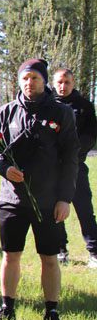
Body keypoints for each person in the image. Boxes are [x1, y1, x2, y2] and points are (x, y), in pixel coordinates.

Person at [0, 59, 79, 320]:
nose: (29, 83)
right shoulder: (7, 112)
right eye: (25, 78)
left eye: (35, 78)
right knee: (10, 255)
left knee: (49, 258)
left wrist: (65, 198)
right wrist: (5, 168)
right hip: (12, 200)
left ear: (44, 81)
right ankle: (7, 308)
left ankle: (51, 313)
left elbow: (70, 159)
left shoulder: (62, 114)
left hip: (48, 201)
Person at [52, 68, 97, 268]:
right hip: (51, 168)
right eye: (59, 82)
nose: (63, 86)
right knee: (54, 210)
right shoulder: (47, 104)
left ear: (73, 83)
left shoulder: (84, 106)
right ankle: (61, 250)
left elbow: (90, 136)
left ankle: (94, 252)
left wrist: (73, 152)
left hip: (75, 166)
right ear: (54, 83)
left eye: (67, 82)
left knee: (84, 209)